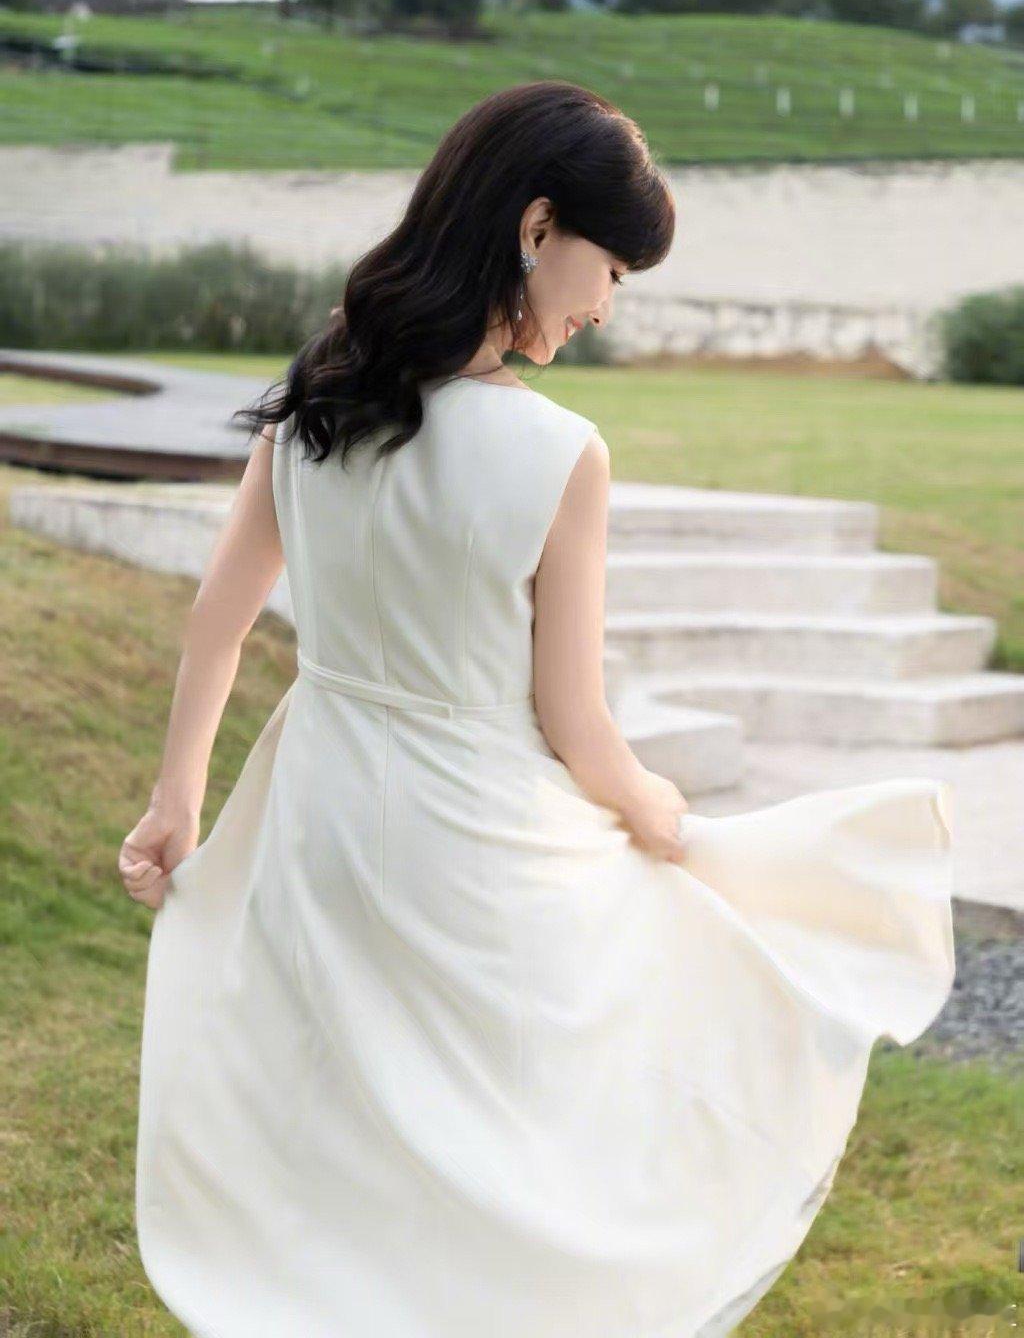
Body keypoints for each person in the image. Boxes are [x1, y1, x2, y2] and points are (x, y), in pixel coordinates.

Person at [122, 80, 956, 1337]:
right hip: (474, 838)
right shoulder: (560, 452)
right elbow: (574, 723)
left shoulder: (316, 401)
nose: (606, 305)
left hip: (320, 812)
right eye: (610, 269)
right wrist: (656, 811)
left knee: (349, 1124)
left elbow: (221, 618)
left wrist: (176, 801)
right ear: (536, 226)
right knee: (517, 1142)